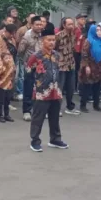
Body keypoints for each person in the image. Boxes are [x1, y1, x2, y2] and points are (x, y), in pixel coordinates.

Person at [27, 22, 69, 152]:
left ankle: (55, 139)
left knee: (55, 117)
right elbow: (29, 73)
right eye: (49, 40)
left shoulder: (56, 55)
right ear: (42, 40)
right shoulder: (36, 56)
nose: (52, 42)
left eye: (53, 40)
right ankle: (35, 141)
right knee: (38, 118)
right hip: (41, 92)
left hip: (55, 91)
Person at [18, 16, 44, 121]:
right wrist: (26, 62)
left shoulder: (43, 35)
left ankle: (38, 110)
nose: (39, 26)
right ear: (32, 25)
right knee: (28, 88)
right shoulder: (27, 36)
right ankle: (26, 111)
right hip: (30, 66)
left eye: (40, 24)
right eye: (37, 24)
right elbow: (20, 51)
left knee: (40, 88)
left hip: (41, 66)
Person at [0, 23, 18, 122]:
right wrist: (0, 65)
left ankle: (7, 114)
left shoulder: (12, 40)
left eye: (13, 33)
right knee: (1, 93)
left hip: (11, 70)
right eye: (10, 33)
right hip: (1, 70)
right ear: (5, 31)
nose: (12, 35)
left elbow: (14, 53)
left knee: (8, 94)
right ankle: (0, 115)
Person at [79, 22, 101, 113]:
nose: (99, 32)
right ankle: (83, 105)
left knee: (97, 87)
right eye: (97, 30)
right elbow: (84, 54)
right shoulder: (88, 41)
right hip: (90, 66)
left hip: (99, 67)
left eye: (100, 30)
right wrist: (86, 66)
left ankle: (96, 105)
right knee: (87, 86)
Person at [55, 17, 80, 116]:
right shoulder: (58, 36)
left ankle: (70, 107)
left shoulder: (73, 35)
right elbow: (54, 49)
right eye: (69, 24)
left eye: (72, 24)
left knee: (71, 87)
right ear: (64, 25)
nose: (71, 26)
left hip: (71, 64)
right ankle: (57, 109)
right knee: (60, 87)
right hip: (61, 65)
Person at [73, 13, 87, 90]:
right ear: (77, 20)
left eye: (84, 19)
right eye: (82, 19)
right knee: (75, 69)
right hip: (76, 52)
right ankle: (74, 86)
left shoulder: (84, 29)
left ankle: (79, 86)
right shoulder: (75, 29)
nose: (84, 20)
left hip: (82, 51)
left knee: (81, 69)